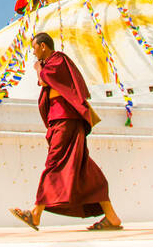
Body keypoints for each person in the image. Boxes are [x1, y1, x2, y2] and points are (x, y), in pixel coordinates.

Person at [10, 33, 123, 231]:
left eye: (34, 48)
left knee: (54, 162)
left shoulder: (57, 59)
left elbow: (45, 80)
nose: (33, 53)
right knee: (82, 167)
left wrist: (38, 68)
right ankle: (112, 218)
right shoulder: (51, 62)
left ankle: (35, 214)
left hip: (65, 118)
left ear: (43, 46)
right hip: (61, 119)